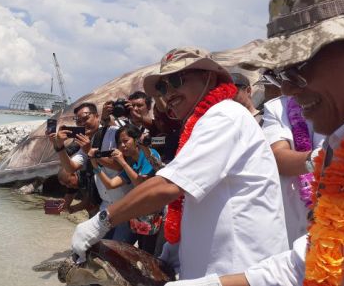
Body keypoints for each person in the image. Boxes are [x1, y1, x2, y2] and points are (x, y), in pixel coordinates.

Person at [165, 0, 344, 285]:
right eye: (278, 73)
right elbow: (304, 264)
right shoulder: (336, 147)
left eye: (297, 65)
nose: (287, 88)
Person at [71, 47, 288, 279]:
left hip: (241, 270)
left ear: (209, 77)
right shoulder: (204, 122)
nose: (168, 94)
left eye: (176, 80)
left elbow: (168, 185)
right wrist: (174, 253)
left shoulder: (225, 115)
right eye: (163, 88)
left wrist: (101, 221)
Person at [48, 102, 134, 242]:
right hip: (106, 205)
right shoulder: (88, 141)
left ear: (96, 116)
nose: (83, 123)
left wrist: (91, 153)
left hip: (126, 204)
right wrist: (59, 147)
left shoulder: (115, 133)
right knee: (96, 245)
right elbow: (70, 167)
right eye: (79, 121)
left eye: (85, 118)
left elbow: (122, 165)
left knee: (119, 249)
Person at [261, 94, 325, 247]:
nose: (285, 86)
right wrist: (323, 158)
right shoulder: (277, 107)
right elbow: (277, 158)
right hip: (297, 222)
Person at [93, 124, 164, 254]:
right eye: (119, 143)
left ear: (136, 140)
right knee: (121, 250)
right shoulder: (132, 163)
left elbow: (141, 185)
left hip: (153, 217)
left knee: (148, 255)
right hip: (138, 217)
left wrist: (123, 163)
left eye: (126, 141)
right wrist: (95, 164)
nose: (122, 146)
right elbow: (111, 184)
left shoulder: (149, 155)